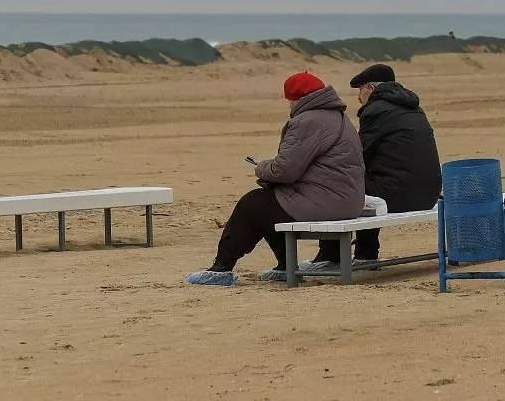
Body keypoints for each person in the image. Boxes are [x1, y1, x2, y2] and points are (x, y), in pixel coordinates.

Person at [186, 71, 365, 285]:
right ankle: (286, 266)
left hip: (328, 202)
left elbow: (285, 170)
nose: (289, 106)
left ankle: (221, 268)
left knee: (252, 204)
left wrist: (261, 168)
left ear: (297, 99)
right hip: (347, 200)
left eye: (289, 101)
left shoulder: (307, 121)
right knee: (272, 203)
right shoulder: (338, 116)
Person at [304, 63, 442, 270]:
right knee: (371, 183)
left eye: (360, 90)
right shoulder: (412, 106)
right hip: (428, 193)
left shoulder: (375, 110)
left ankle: (330, 257)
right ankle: (366, 253)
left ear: (371, 88)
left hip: (402, 195)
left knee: (340, 189)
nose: (359, 97)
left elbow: (358, 155)